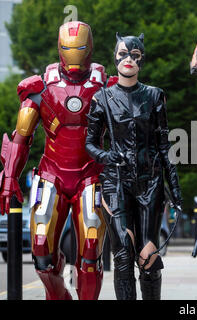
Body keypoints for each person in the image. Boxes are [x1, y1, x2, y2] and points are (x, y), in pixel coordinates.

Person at [0, 21, 117, 300]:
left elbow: (127, 135)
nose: (74, 56)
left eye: (79, 48)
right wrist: (9, 177)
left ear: (89, 48)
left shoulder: (109, 87)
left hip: (91, 174)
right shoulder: (40, 88)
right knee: (40, 248)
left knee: (91, 248)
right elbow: (21, 138)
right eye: (68, 49)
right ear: (60, 49)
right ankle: (59, 295)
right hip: (51, 173)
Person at [85, 32, 183, 300]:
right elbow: (90, 143)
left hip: (150, 183)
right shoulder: (101, 98)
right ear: (115, 57)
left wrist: (174, 188)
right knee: (123, 256)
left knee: (148, 258)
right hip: (115, 183)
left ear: (142, 60)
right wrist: (106, 157)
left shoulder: (155, 96)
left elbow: (165, 146)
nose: (128, 59)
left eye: (135, 55)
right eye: (123, 54)